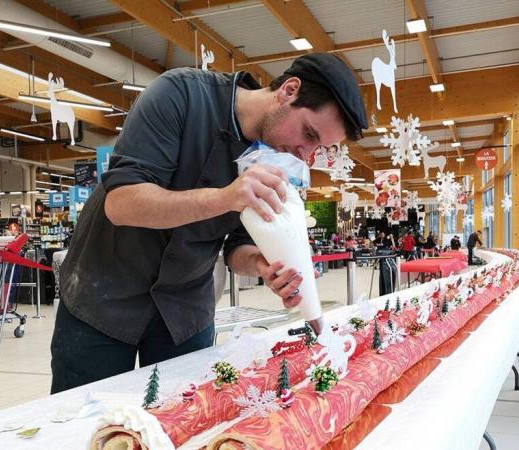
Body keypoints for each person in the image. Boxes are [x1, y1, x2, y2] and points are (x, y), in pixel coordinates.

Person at [51, 53, 368, 393]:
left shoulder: (274, 155)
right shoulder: (179, 95)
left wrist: (262, 266)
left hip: (185, 315)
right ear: (289, 90)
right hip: (102, 299)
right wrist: (226, 197)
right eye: (308, 134)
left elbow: (236, 246)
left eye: (319, 148)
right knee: (84, 427)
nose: (304, 155)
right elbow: (121, 203)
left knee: (183, 424)